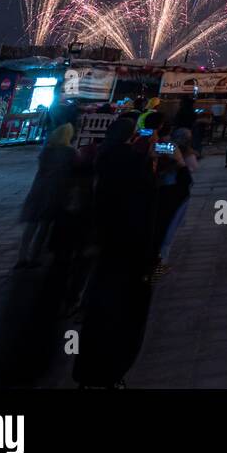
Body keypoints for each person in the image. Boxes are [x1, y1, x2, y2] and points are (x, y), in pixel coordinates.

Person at [72, 117, 157, 388]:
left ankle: (90, 370)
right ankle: (108, 372)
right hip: (126, 244)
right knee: (118, 311)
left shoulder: (100, 156)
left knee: (100, 301)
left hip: (104, 238)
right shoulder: (130, 162)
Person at [17, 122, 78, 266]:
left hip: (39, 188)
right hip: (56, 190)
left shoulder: (47, 151)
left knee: (32, 224)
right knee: (44, 225)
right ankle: (34, 256)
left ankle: (22, 256)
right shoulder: (70, 152)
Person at [156, 128, 199, 272]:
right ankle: (161, 262)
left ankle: (160, 260)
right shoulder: (172, 148)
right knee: (170, 225)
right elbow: (190, 168)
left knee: (166, 224)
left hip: (166, 189)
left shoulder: (161, 146)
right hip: (176, 190)